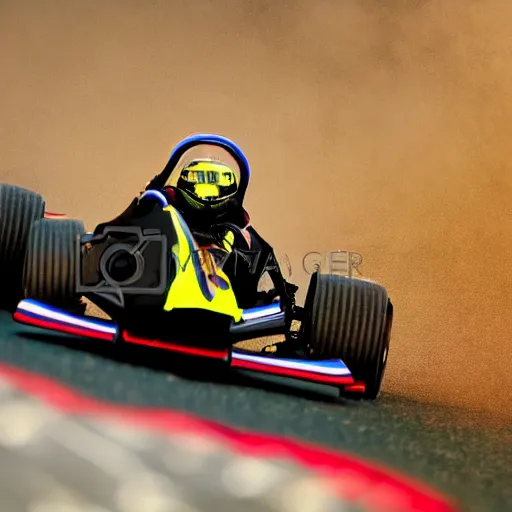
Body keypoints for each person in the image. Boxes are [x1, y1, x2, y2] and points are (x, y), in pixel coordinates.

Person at [160, 158, 296, 309]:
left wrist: (282, 293)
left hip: (230, 295)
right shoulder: (165, 200)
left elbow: (263, 250)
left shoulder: (236, 216)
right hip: (169, 278)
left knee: (254, 246)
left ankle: (279, 295)